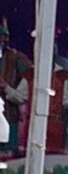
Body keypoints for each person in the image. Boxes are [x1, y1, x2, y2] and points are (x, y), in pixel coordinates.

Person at [0, 20, 32, 152]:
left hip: (8, 114)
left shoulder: (15, 58)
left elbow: (28, 88)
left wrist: (6, 87)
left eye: (3, 36)